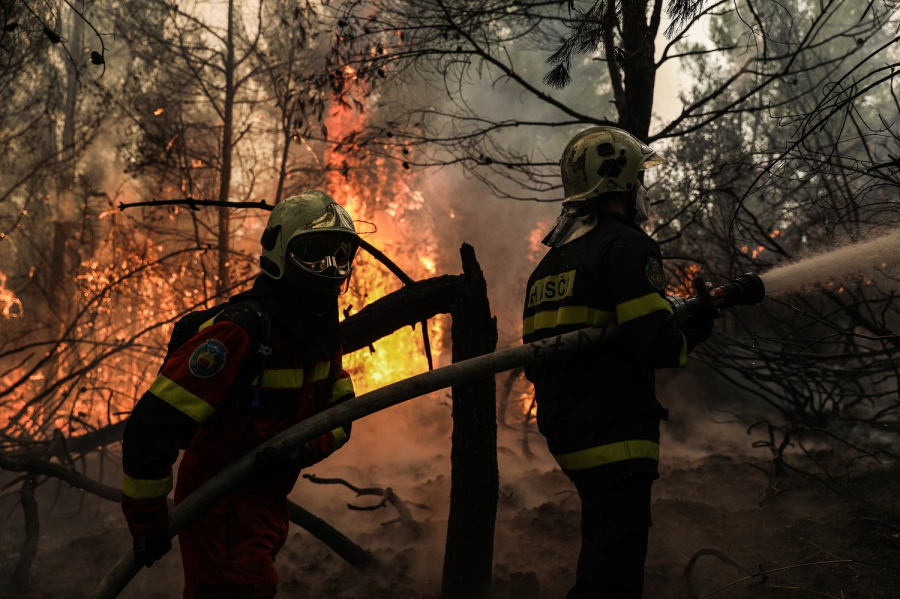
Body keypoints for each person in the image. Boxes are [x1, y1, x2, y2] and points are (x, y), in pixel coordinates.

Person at [121, 190, 360, 599]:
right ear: (279, 253)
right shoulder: (240, 331)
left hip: (266, 500)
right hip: (219, 502)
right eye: (315, 252)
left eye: (341, 254)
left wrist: (299, 451)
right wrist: (149, 523)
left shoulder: (319, 333)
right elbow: (150, 428)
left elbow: (341, 415)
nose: (330, 267)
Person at [522, 127, 716, 598]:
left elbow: (542, 356)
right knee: (614, 575)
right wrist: (697, 325)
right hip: (613, 432)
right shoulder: (628, 247)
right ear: (624, 184)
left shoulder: (548, 265)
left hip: (566, 428)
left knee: (603, 552)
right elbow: (656, 345)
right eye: (638, 182)